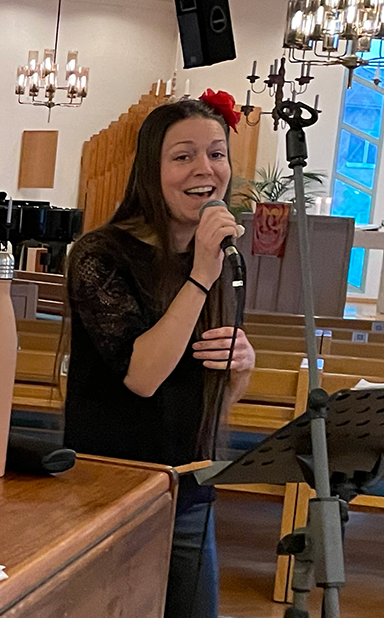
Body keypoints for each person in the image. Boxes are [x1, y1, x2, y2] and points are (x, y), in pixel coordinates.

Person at [62, 93, 256, 618]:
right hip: (111, 488)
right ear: (151, 169)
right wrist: (201, 276)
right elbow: (143, 376)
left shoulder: (216, 258)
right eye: (183, 156)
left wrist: (240, 366)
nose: (204, 169)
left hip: (189, 487)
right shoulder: (101, 255)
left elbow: (211, 395)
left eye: (216, 154)